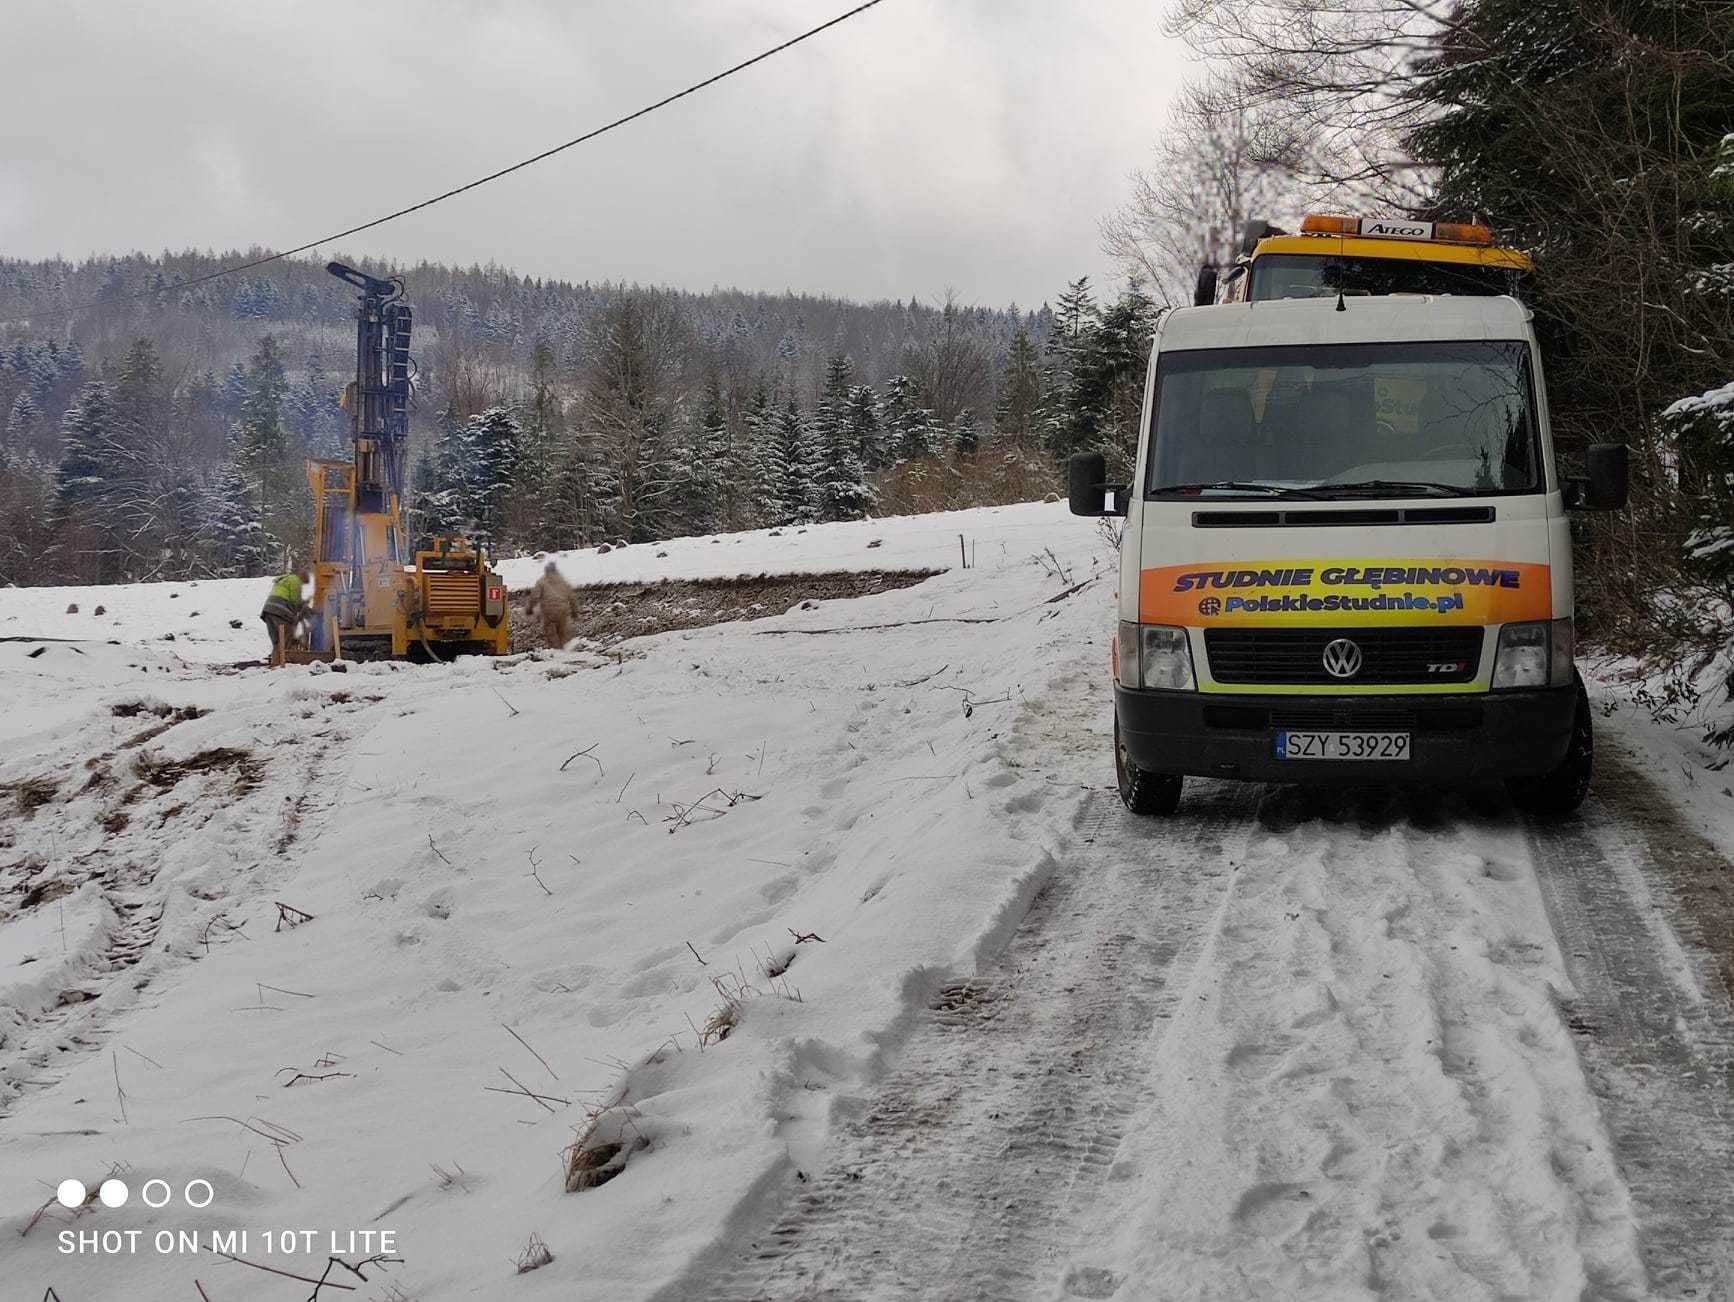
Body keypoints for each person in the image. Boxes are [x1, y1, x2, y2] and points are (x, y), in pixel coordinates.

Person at [261, 565, 311, 667]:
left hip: (268, 611)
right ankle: (284, 664)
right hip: (280, 611)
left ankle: (275, 664)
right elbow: (294, 600)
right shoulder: (296, 581)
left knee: (276, 641)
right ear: (302, 576)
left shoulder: (286, 579)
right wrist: (305, 605)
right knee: (286, 638)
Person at [527, 560, 580, 649]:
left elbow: (534, 597)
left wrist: (529, 609)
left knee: (551, 634)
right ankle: (564, 654)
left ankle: (556, 654)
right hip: (563, 611)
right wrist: (575, 612)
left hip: (549, 612)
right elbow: (572, 597)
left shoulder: (542, 581)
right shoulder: (563, 581)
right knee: (562, 634)